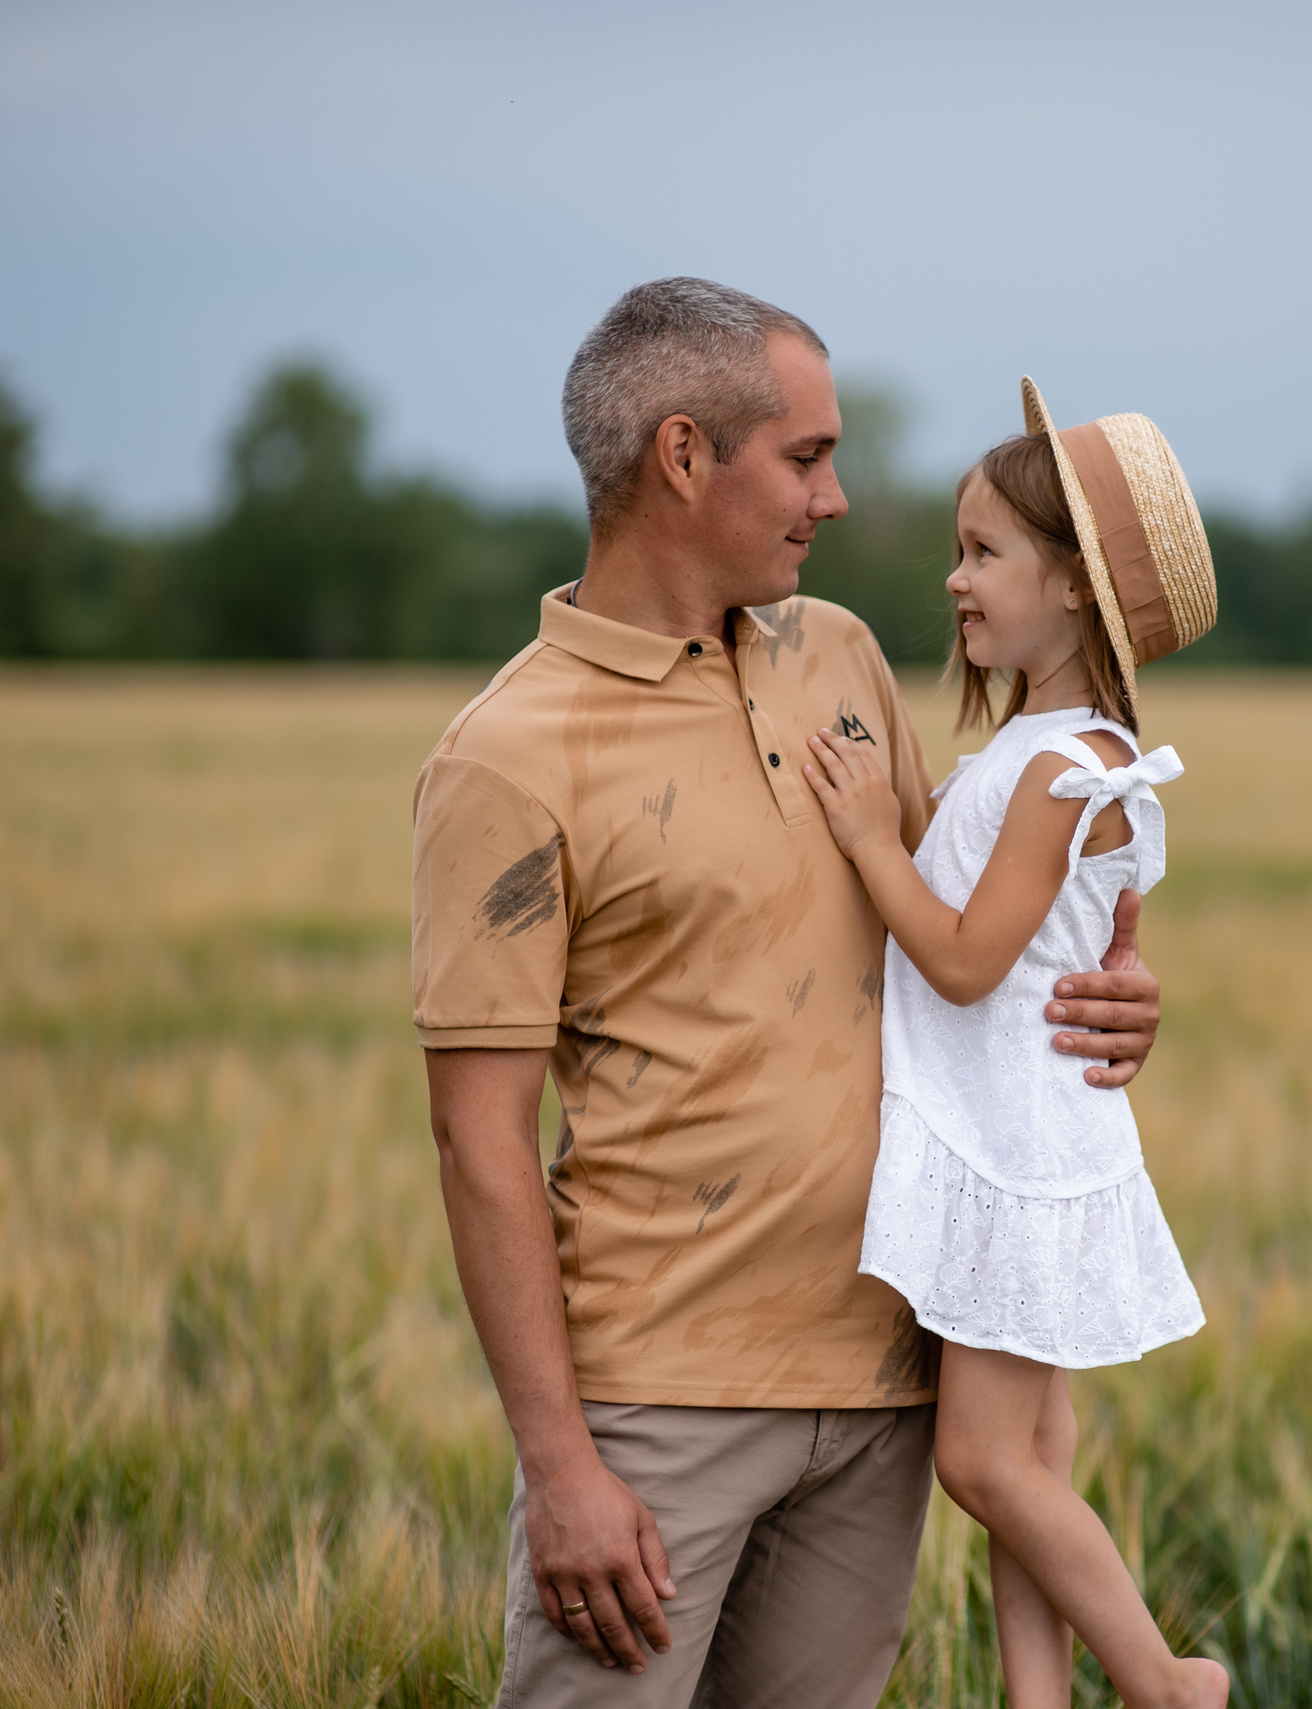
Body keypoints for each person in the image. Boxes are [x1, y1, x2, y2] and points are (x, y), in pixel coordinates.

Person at [411, 281, 1166, 1709]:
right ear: (684, 456)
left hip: (888, 1376)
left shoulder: (841, 657)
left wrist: (1122, 989)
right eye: (807, 457)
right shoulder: (508, 755)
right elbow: (480, 1140)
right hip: (662, 1406)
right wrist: (561, 1463)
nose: (835, 494)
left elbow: (983, 925)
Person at [798, 378, 1228, 1709]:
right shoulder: (1070, 749)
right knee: (1028, 1465)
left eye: (985, 552)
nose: (956, 579)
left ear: (1076, 592)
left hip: (1012, 1152)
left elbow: (972, 958)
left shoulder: (1059, 764)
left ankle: (1164, 1683)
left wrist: (872, 838)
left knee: (983, 1467)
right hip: (1038, 1137)